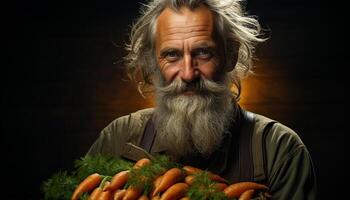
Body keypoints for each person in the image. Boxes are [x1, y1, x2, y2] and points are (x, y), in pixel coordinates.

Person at [86, 0, 317, 199]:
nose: (188, 74)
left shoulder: (278, 150)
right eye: (172, 54)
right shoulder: (118, 138)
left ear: (231, 55)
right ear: (152, 62)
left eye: (203, 53)